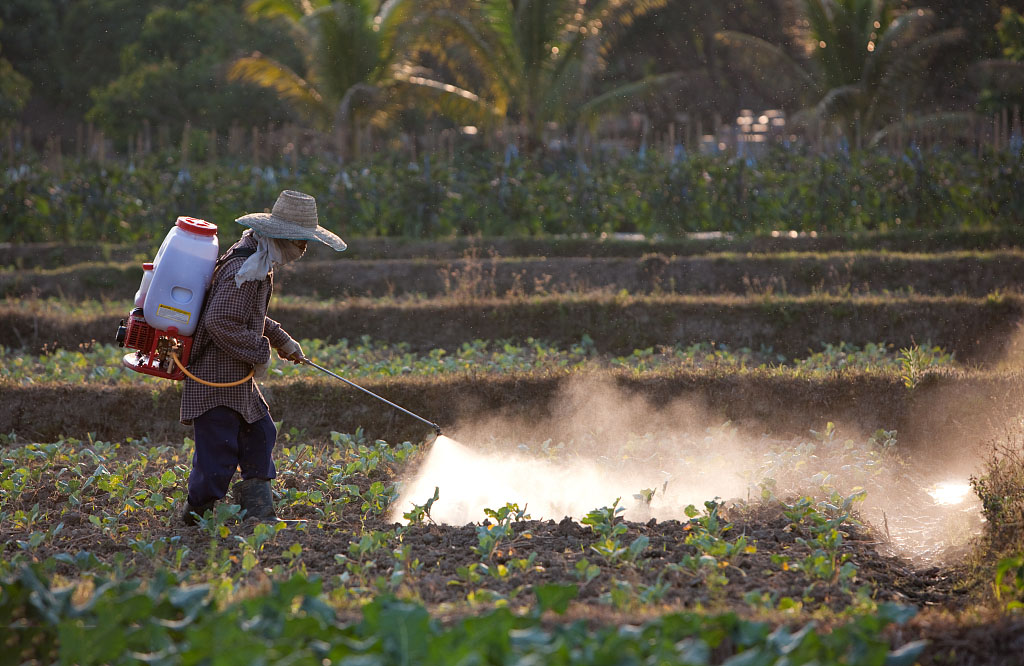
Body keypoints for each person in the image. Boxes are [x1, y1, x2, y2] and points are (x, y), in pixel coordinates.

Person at [179, 190, 346, 525]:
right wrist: (259, 352)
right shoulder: (244, 267)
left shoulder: (257, 262)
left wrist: (283, 340)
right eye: (302, 241)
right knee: (217, 454)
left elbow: (247, 316)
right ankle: (196, 519)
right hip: (214, 379)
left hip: (234, 379)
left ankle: (258, 513)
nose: (303, 250)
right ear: (282, 237)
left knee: (259, 433)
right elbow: (219, 321)